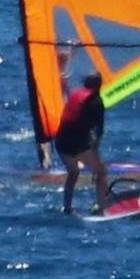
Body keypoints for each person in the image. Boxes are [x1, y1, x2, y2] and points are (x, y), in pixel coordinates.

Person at [54, 71, 107, 214]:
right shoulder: (96, 102)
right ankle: (101, 208)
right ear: (99, 86)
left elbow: (72, 105)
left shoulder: (75, 94)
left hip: (60, 142)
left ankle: (67, 208)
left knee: (74, 172)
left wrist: (64, 83)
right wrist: (96, 159)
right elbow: (99, 133)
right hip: (77, 144)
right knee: (101, 172)